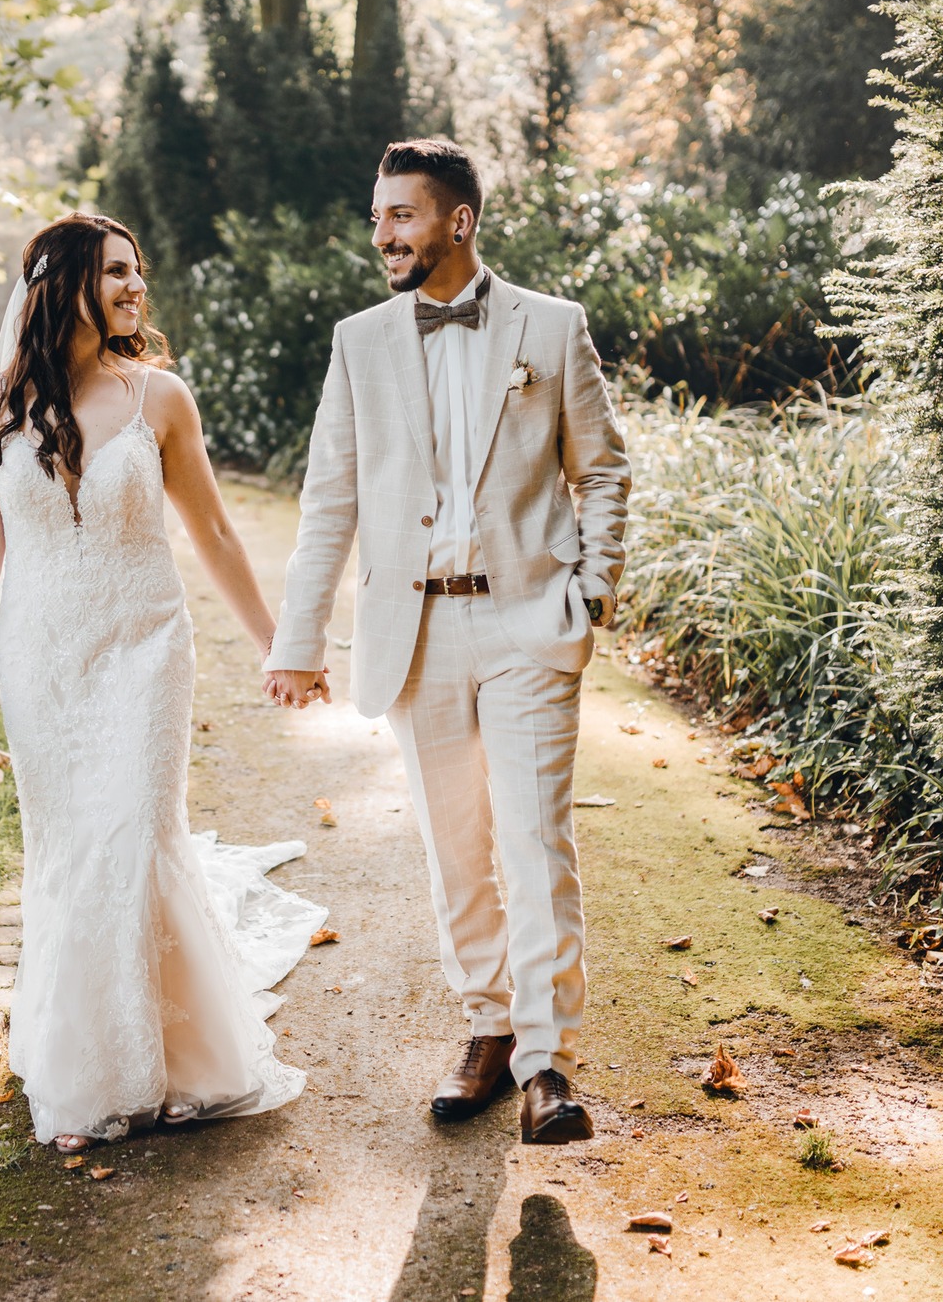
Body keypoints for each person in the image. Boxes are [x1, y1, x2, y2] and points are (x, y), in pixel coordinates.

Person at [0, 213, 326, 1152]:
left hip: (145, 647)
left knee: (137, 835)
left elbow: (215, 533)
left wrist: (279, 644)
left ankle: (171, 1062)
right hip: (45, 660)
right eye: (116, 272)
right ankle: (93, 1065)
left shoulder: (160, 399)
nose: (137, 288)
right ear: (63, 286)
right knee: (72, 853)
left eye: (139, 271)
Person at [264, 140, 630, 1144]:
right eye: (377, 217)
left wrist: (591, 590)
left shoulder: (552, 330)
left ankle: (548, 1065)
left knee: (532, 838)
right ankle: (489, 1027)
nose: (380, 234)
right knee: (454, 847)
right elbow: (328, 497)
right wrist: (297, 640)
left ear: (456, 221)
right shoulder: (359, 342)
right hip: (414, 631)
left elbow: (600, 469)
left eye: (399, 217)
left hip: (526, 620)